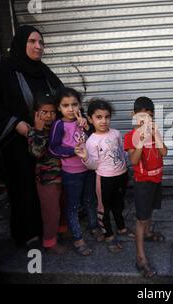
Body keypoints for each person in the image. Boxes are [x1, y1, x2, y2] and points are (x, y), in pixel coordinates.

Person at [0, 25, 63, 246]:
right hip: (17, 145)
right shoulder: (5, 71)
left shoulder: (43, 72)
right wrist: (15, 124)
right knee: (24, 187)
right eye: (33, 42)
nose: (38, 46)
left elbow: (62, 96)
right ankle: (28, 233)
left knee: (47, 185)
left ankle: (49, 231)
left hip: (45, 142)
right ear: (20, 44)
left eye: (41, 43)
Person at [49, 87, 100, 256]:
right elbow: (53, 148)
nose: (71, 109)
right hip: (71, 173)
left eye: (74, 104)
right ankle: (78, 238)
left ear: (79, 105)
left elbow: (93, 139)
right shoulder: (59, 124)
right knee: (73, 205)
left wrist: (87, 127)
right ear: (59, 108)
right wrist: (72, 151)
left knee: (90, 199)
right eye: (65, 105)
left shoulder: (83, 120)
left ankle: (94, 227)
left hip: (88, 167)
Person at [75, 99, 131, 253]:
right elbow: (93, 166)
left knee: (119, 205)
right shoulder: (91, 141)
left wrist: (127, 166)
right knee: (104, 209)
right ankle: (109, 235)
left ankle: (121, 228)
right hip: (105, 179)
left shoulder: (116, 133)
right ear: (90, 118)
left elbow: (122, 152)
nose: (104, 121)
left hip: (121, 175)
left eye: (107, 117)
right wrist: (85, 157)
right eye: (99, 117)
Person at [124, 96, 168, 278]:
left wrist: (156, 135)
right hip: (142, 183)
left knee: (149, 211)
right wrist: (140, 141)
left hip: (156, 179)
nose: (144, 121)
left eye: (149, 117)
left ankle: (148, 233)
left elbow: (164, 152)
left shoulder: (155, 133)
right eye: (141, 117)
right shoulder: (129, 137)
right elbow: (134, 160)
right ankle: (140, 257)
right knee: (141, 218)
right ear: (133, 115)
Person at [27, 94, 66, 254]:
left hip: (63, 175)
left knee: (64, 205)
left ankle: (62, 230)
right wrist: (39, 130)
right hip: (46, 179)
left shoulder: (59, 126)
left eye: (52, 112)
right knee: (51, 211)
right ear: (36, 113)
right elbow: (36, 152)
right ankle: (49, 242)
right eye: (44, 112)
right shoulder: (34, 131)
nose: (49, 115)